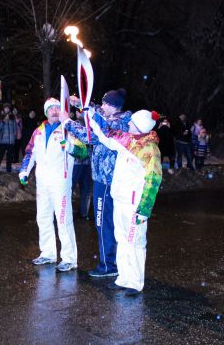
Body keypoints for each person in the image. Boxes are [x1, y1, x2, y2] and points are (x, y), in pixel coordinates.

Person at [88, 109, 162, 296]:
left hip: (134, 205)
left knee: (134, 242)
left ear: (139, 126)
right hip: (119, 200)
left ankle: (135, 282)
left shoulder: (149, 150)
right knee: (121, 240)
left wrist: (144, 209)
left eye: (131, 123)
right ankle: (123, 278)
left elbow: (153, 180)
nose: (127, 124)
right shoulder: (127, 140)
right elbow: (105, 134)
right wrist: (91, 113)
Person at [64, 88, 131, 277]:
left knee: (104, 222)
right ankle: (114, 263)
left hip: (108, 180)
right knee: (109, 222)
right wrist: (81, 104)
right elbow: (96, 119)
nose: (101, 107)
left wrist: (68, 122)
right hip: (104, 178)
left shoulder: (119, 124)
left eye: (104, 104)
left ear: (111, 105)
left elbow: (92, 134)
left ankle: (109, 265)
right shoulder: (113, 119)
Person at [20, 98, 87, 272]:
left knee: (63, 220)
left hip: (60, 182)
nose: (55, 111)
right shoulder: (38, 131)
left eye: (58, 108)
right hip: (43, 183)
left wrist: (70, 146)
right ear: (46, 112)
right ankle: (48, 253)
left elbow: (83, 152)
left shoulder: (68, 129)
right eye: (51, 108)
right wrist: (24, 172)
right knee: (42, 218)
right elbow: (30, 153)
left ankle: (69, 258)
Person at [70, 110, 92, 220]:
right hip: (81, 162)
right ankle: (81, 213)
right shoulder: (76, 125)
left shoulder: (89, 125)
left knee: (82, 188)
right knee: (79, 188)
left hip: (82, 163)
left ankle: (81, 213)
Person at [0, 104, 17, 172]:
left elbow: (15, 128)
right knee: (0, 156)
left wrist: (14, 136)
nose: (7, 109)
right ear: (3, 109)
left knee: (9, 157)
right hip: (2, 141)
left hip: (11, 141)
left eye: (8, 108)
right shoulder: (0, 117)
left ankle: (8, 170)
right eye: (5, 108)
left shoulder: (12, 117)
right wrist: (4, 121)